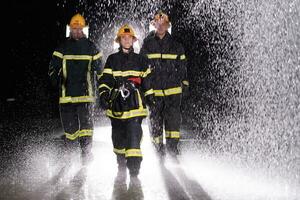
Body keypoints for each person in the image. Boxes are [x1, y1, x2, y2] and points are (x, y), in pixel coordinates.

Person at [98, 24, 155, 181]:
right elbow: (106, 80)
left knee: (133, 136)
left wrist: (150, 96)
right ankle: (120, 163)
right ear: (119, 40)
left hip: (135, 106)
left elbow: (147, 81)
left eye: (129, 38)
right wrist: (103, 95)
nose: (127, 40)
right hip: (117, 105)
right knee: (118, 137)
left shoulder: (140, 60)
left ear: (133, 40)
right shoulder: (112, 59)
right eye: (124, 37)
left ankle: (134, 171)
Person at [48, 13, 102, 165]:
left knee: (86, 128)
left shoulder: (91, 47)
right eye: (74, 28)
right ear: (70, 29)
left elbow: (101, 70)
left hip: (86, 96)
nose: (77, 31)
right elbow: (53, 68)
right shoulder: (63, 47)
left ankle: (86, 155)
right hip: (67, 97)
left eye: (79, 28)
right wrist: (55, 79)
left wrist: (104, 89)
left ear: (84, 29)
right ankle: (70, 156)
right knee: (70, 131)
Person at [140, 11, 189, 159]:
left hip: (173, 92)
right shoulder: (147, 45)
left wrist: (185, 84)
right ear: (154, 25)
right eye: (158, 24)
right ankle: (158, 150)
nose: (160, 26)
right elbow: (142, 68)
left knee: (173, 122)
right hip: (154, 92)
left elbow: (182, 67)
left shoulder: (177, 46)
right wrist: (145, 90)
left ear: (168, 26)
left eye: (163, 24)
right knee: (155, 123)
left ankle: (173, 149)